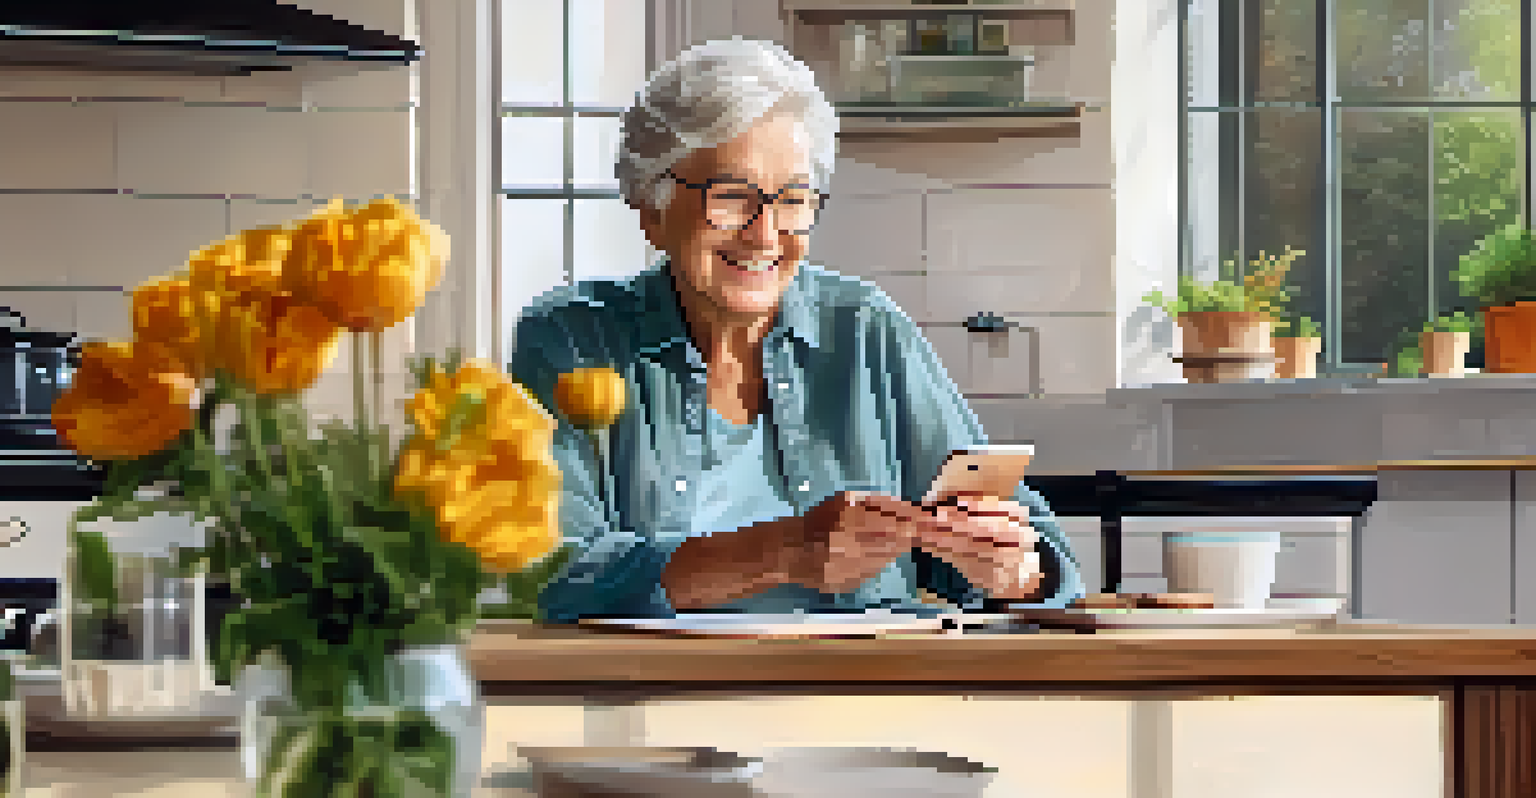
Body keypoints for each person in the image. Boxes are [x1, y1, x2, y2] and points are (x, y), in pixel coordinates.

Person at [509, 37, 1085, 622]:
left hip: (867, 696)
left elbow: (1046, 559)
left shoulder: (865, 330)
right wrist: (783, 552)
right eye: (731, 197)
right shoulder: (573, 342)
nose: (764, 235)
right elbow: (550, 578)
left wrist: (1017, 570)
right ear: (650, 209)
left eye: (793, 200)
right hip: (653, 703)